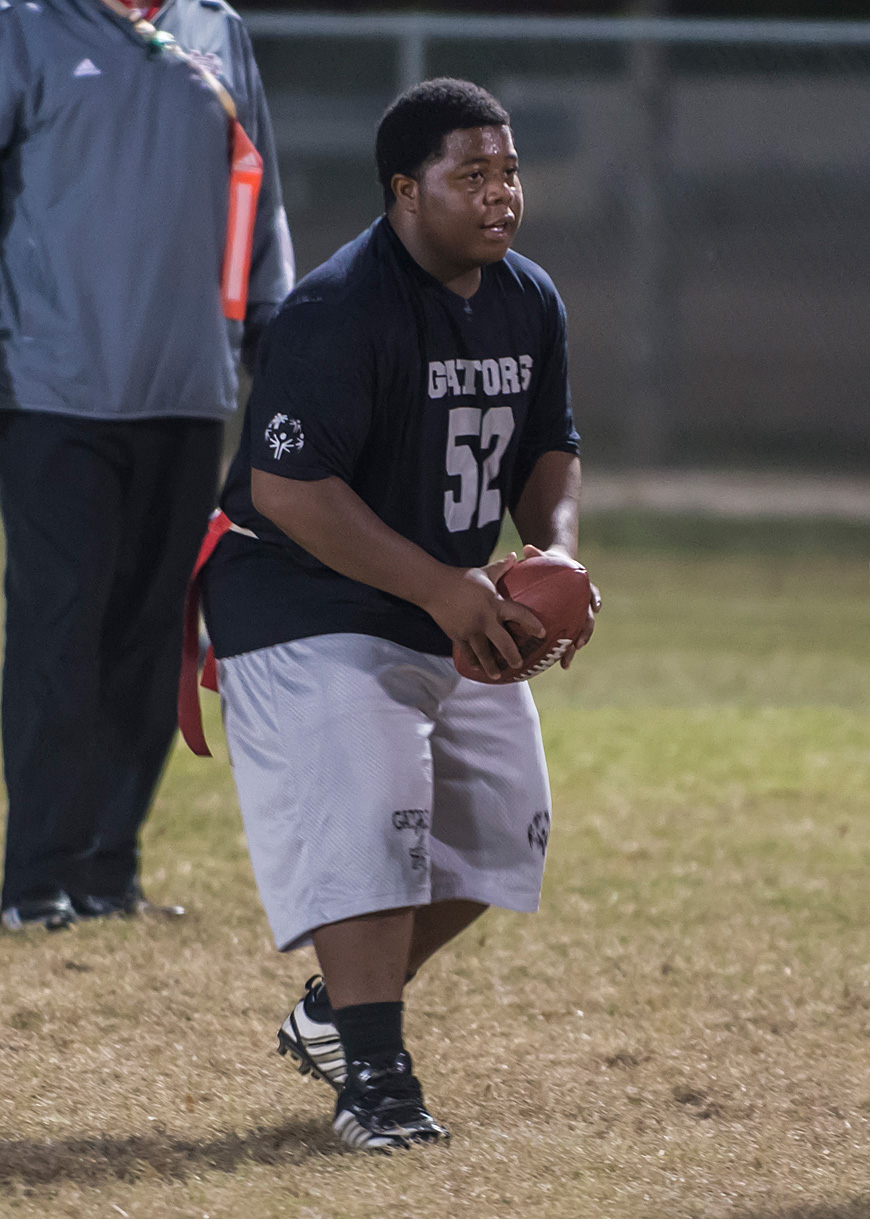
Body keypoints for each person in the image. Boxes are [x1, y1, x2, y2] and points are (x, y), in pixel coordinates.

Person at [199, 78, 599, 1149]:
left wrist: (555, 544)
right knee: (375, 826)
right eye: (470, 174)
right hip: (305, 594)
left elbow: (548, 446)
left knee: (501, 837)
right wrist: (438, 586)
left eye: (508, 171)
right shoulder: (341, 307)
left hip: (443, 597)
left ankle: (337, 1013)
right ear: (404, 191)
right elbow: (288, 488)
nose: (501, 193)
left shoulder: (528, 297)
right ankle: (375, 1079)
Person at [0, 0, 294, 929]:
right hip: (53, 391)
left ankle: (106, 869)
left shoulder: (216, 29)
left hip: (190, 388)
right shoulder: (25, 28)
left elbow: (263, 202)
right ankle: (34, 875)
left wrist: (276, 348)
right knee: (60, 627)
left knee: (156, 633)